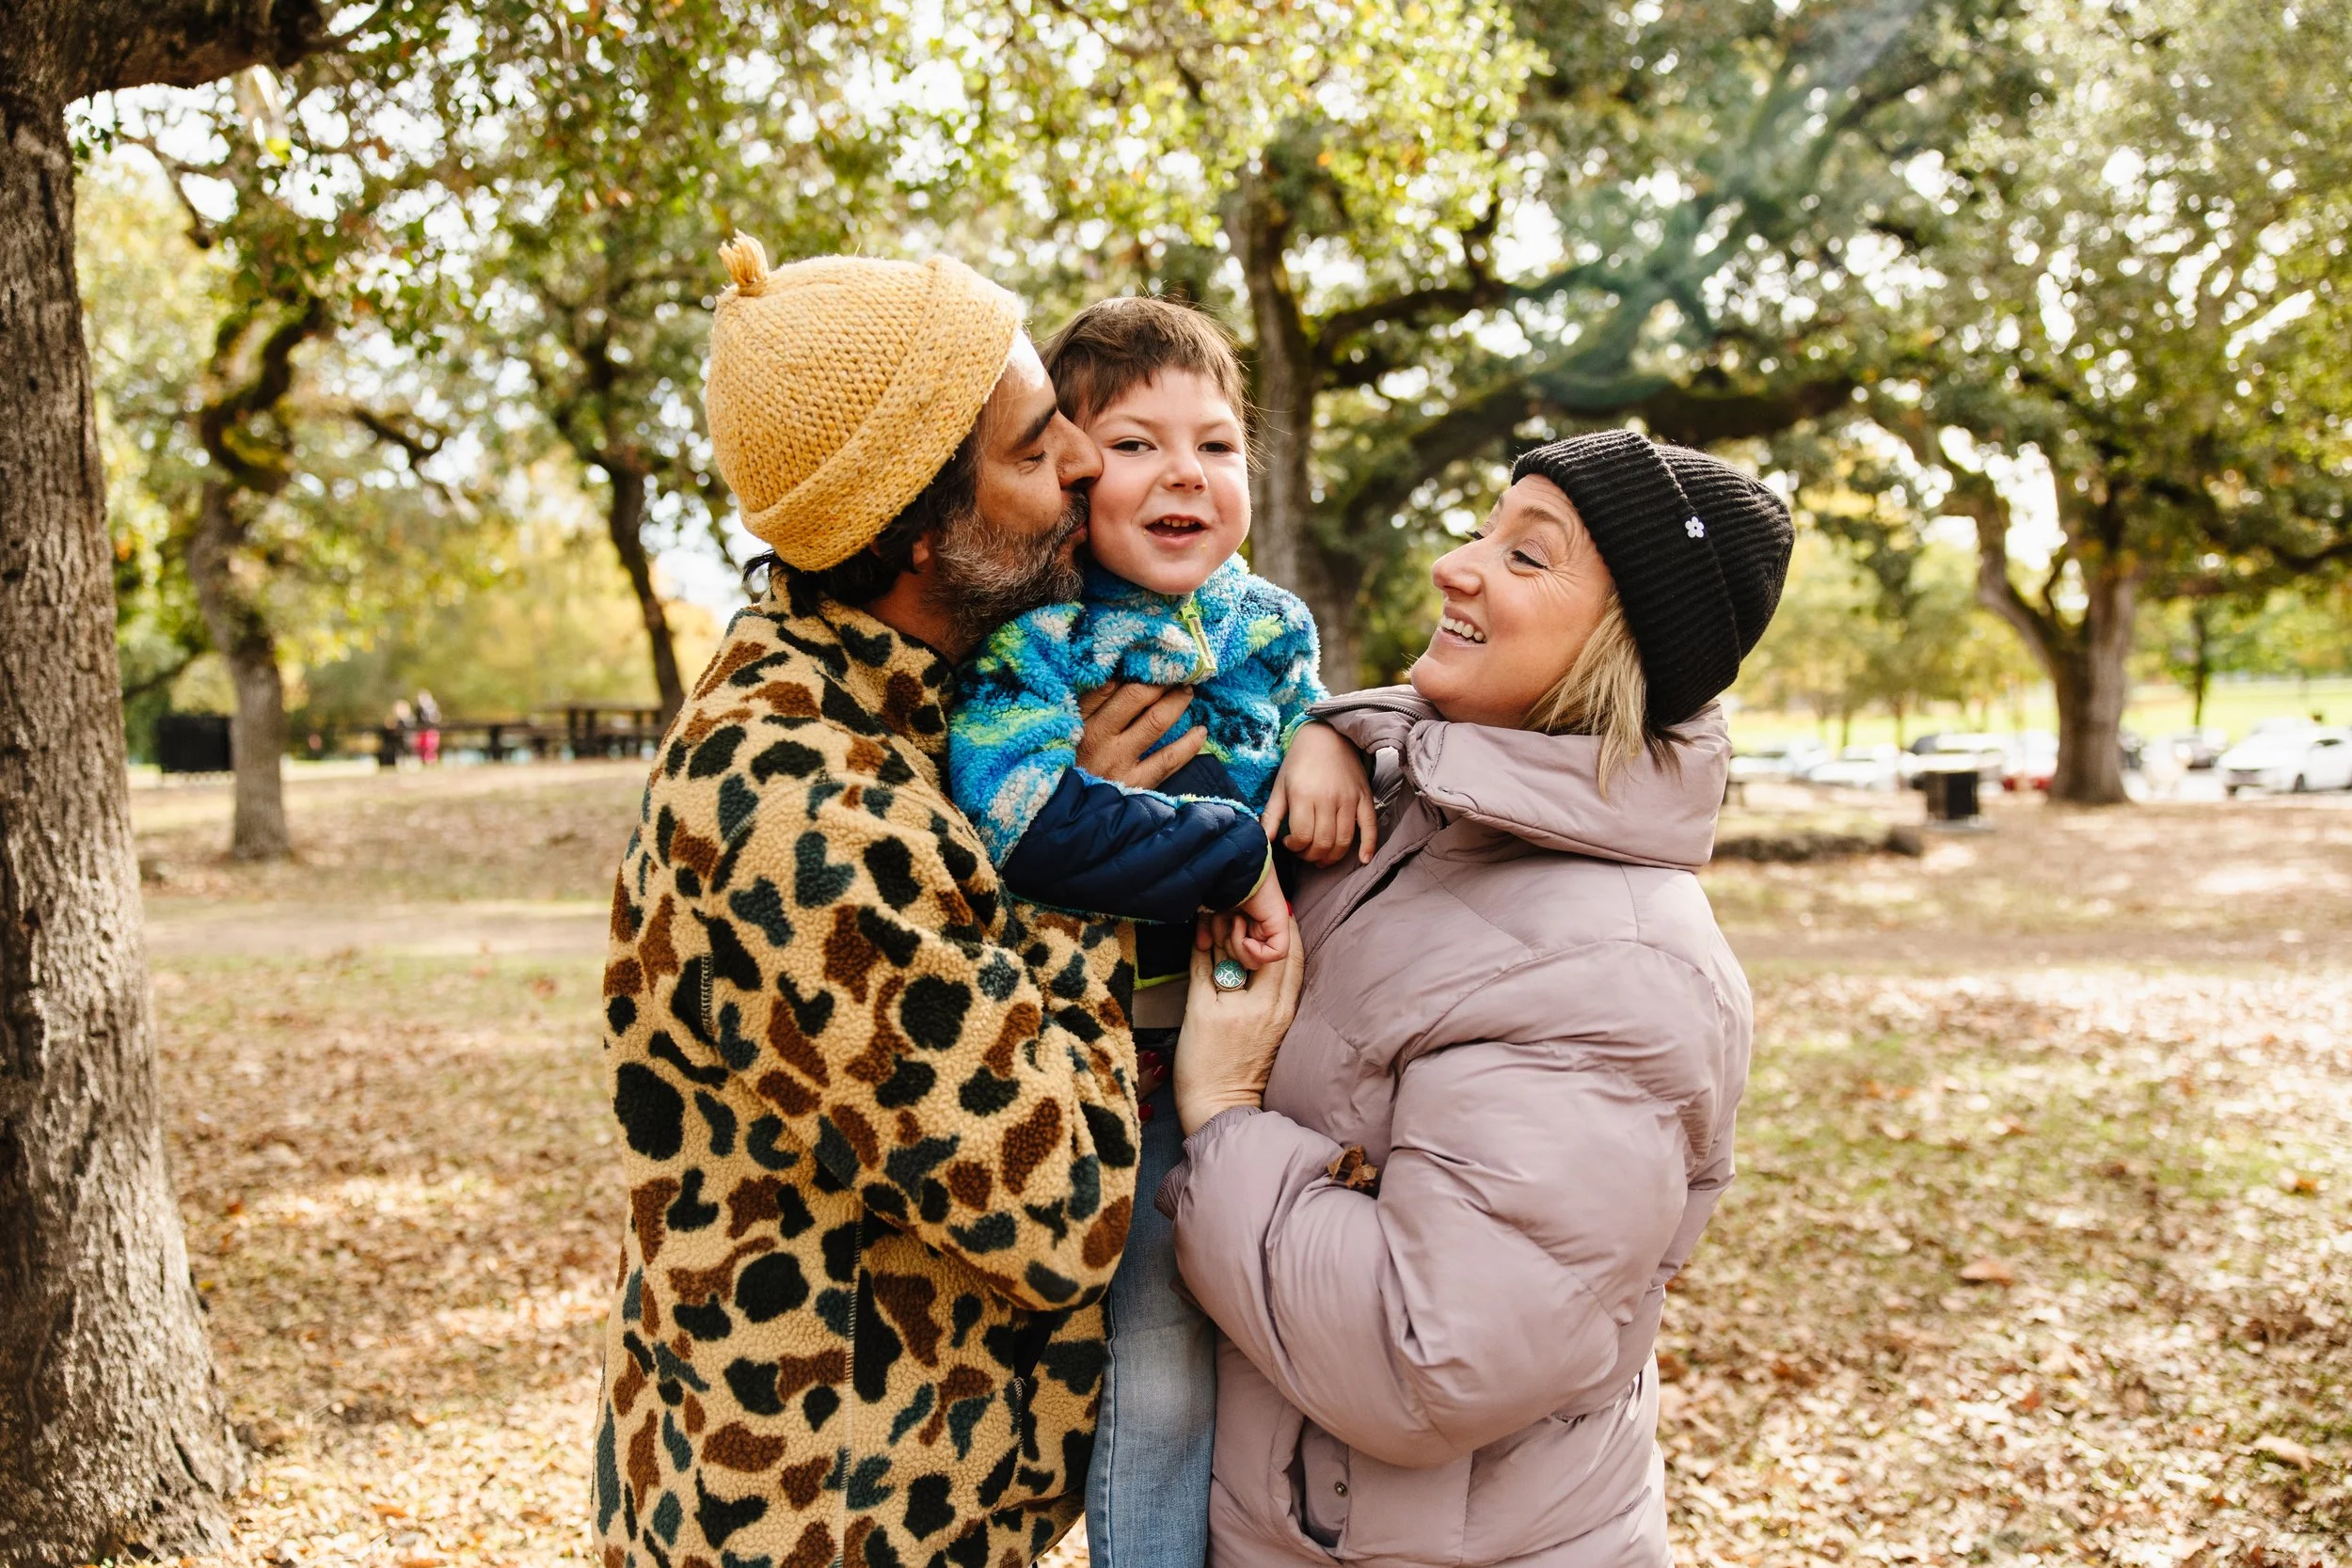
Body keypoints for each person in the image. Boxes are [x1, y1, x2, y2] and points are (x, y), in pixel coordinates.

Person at [592, 236, 1206, 1568]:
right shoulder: (796, 806)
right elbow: (1061, 1207)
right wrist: (1075, 845)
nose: (1089, 468)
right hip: (827, 1518)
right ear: (924, 528)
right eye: (1040, 451)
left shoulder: (909, 706)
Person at [1162, 428, 1794, 1567]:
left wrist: (1223, 1117)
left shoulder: (1616, 969)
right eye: (1485, 526)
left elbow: (1430, 1356)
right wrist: (1320, 728)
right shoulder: (1404, 808)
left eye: (1527, 555)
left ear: (1621, 645)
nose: (1457, 564)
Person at [946, 297, 1375, 1568]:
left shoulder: (1271, 626)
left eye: (1218, 444)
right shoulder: (1036, 636)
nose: (1187, 473)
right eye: (1136, 444)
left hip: (1265, 1064)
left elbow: (1313, 712)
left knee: (1245, 1354)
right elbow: (1025, 820)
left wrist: (1324, 734)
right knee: (1163, 1366)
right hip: (1111, 1077)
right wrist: (1230, 849)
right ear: (1070, 470)